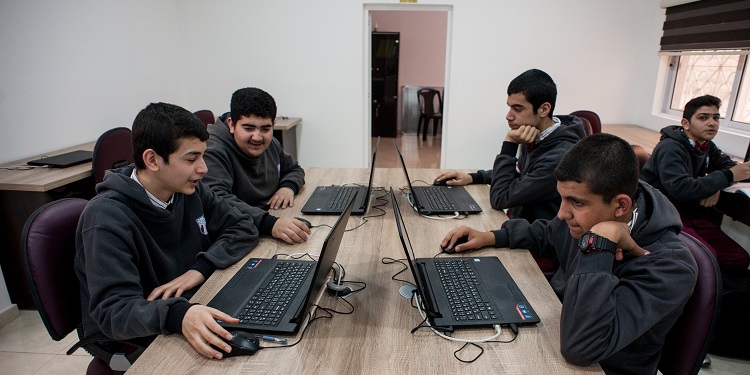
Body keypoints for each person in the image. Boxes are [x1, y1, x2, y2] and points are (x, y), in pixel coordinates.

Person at [441, 133, 697, 374]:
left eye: (577, 202)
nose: (563, 213)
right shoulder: (588, 214)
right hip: (557, 329)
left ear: (621, 205)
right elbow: (549, 232)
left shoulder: (670, 266)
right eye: (562, 198)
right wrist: (491, 236)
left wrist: (599, 243)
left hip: (600, 365)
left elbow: (582, 347)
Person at [75, 102, 259, 360]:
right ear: (152, 160)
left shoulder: (187, 189)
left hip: (193, 303)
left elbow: (242, 227)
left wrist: (201, 268)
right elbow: (114, 312)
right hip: (142, 336)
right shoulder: (105, 218)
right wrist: (178, 314)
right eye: (191, 158)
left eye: (203, 156)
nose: (203, 168)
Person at [435, 69, 585, 223]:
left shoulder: (559, 157)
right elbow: (523, 174)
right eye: (509, 107)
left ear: (544, 109)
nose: (509, 116)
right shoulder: (537, 133)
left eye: (517, 109)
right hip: (519, 224)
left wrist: (510, 144)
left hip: (532, 238)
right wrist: (474, 177)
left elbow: (500, 198)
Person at [641, 94, 750, 271]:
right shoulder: (671, 148)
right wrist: (724, 178)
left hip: (689, 213)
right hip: (664, 216)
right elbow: (681, 189)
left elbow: (726, 166)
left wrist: (715, 185)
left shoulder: (705, 144)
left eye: (716, 118)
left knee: (738, 258)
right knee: (707, 260)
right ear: (686, 123)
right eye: (703, 117)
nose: (712, 123)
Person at [204, 87, 310, 245]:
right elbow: (219, 201)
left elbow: (294, 169)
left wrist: (288, 186)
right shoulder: (213, 150)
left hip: (263, 224)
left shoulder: (271, 143)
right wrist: (270, 223)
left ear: (273, 125)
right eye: (248, 128)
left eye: (265, 129)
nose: (257, 137)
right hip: (235, 236)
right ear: (231, 124)